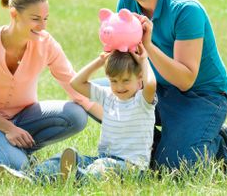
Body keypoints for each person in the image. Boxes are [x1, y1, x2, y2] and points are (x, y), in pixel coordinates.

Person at [105, 0, 227, 172]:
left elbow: (185, 79)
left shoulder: (186, 10)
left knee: (174, 168)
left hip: (201, 96)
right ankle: (174, 138)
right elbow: (128, 62)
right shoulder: (126, 4)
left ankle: (217, 143)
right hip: (159, 89)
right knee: (107, 98)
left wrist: (148, 45)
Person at [0, 0, 96, 173]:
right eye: (35, 19)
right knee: (16, 166)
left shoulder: (46, 43)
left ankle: (13, 150)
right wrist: (8, 128)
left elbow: (72, 83)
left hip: (23, 116)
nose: (42, 26)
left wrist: (111, 119)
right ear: (14, 14)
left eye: (45, 19)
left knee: (76, 116)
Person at [33, 45, 157, 183]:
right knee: (62, 159)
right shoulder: (107, 96)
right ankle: (32, 176)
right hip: (102, 159)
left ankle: (73, 177)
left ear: (140, 79)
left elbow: (151, 84)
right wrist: (99, 61)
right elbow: (76, 83)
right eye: (114, 81)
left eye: (126, 80)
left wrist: (144, 60)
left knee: (100, 170)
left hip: (132, 167)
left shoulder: (143, 101)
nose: (119, 87)